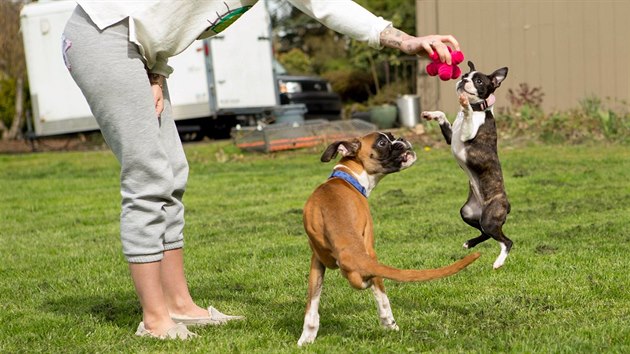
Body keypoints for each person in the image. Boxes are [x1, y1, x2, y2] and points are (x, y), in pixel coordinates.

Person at [62, 0, 461, 340]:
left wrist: (156, 70)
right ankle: (154, 320)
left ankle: (179, 305)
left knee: (172, 172)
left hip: (141, 52)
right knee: (148, 175)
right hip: (103, 37)